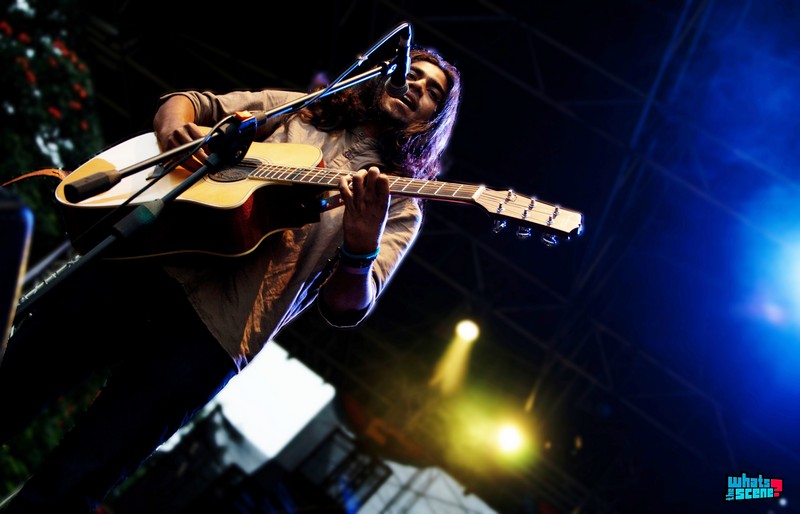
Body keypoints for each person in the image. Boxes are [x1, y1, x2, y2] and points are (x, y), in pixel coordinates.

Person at [0, 44, 462, 512]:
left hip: (215, 334)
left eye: (432, 92)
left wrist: (361, 250)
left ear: (434, 119)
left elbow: (345, 306)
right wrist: (174, 132)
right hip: (145, 262)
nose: (417, 86)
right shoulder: (303, 111)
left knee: (83, 472)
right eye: (412, 74)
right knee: (16, 381)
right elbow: (191, 104)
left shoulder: (401, 204)